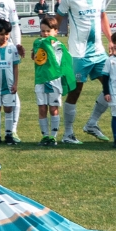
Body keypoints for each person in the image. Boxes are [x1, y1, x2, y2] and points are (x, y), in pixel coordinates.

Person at [57, 0, 112, 143]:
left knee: (112, 86)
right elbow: (58, 19)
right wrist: (50, 42)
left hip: (98, 51)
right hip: (78, 53)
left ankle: (91, 124)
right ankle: (68, 134)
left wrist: (111, 39)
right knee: (75, 91)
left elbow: (102, 16)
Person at [30, 15, 76, 146]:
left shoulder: (58, 45)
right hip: (40, 80)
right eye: (43, 31)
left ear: (55, 31)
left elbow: (63, 61)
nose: (45, 34)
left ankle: (53, 136)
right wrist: (34, 53)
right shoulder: (37, 42)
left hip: (54, 81)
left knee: (53, 109)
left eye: (48, 31)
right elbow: (35, 57)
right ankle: (45, 136)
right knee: (42, 109)